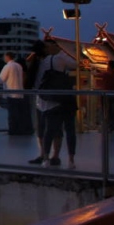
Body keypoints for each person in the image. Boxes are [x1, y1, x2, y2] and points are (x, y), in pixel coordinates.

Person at [34, 38, 77, 169]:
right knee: (70, 129)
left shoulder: (44, 61)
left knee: (49, 130)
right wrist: (63, 51)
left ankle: (46, 157)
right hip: (66, 98)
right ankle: (71, 160)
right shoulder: (61, 58)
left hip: (51, 99)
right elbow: (76, 64)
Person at [0, 50, 32, 136]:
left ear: (7, 57)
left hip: (11, 93)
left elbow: (0, 79)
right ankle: (20, 129)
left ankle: (13, 130)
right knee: (19, 113)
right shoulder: (19, 66)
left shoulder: (7, 66)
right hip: (20, 93)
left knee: (12, 114)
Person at [94, 59, 114, 133]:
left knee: (104, 110)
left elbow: (96, 74)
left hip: (105, 95)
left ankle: (104, 126)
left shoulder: (106, 74)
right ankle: (112, 126)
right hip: (113, 94)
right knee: (112, 111)